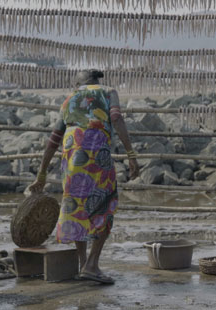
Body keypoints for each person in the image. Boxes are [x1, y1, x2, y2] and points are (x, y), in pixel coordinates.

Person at [29, 70, 139, 285]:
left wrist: (41, 174)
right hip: (96, 153)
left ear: (78, 84)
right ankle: (92, 265)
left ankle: (82, 264)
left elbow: (54, 138)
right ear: (95, 81)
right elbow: (116, 118)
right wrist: (131, 154)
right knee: (104, 205)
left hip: (71, 156)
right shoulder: (108, 91)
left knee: (76, 207)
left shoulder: (70, 98)